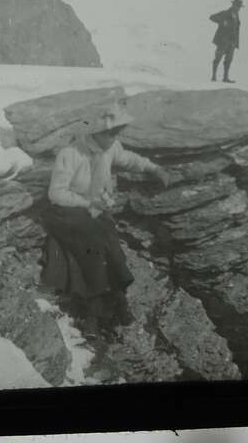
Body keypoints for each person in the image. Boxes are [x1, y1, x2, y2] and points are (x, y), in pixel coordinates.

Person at [40, 102, 171, 339]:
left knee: (112, 244)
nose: (114, 137)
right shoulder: (70, 154)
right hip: (66, 212)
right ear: (95, 132)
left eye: (116, 132)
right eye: (110, 132)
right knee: (95, 247)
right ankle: (93, 314)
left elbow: (129, 159)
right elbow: (56, 194)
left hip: (93, 210)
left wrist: (154, 169)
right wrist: (87, 204)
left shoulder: (110, 148)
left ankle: (118, 301)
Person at [209, 0, 243, 83]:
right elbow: (212, 17)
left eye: (239, 7)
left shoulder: (237, 16)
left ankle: (225, 77)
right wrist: (222, 22)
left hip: (232, 42)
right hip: (223, 40)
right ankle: (213, 76)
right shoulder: (225, 13)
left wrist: (236, 43)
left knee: (228, 60)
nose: (238, 8)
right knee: (218, 58)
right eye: (237, 6)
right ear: (233, 5)